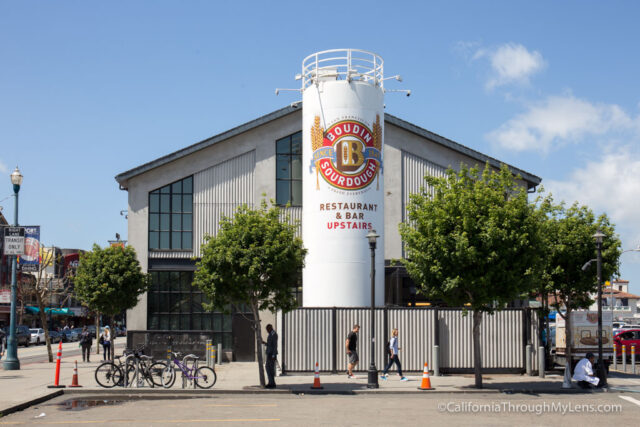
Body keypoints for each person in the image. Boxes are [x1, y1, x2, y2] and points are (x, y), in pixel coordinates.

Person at [264, 324, 278, 388]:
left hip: (271, 354)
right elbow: (270, 344)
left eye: (267, 329)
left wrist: (273, 355)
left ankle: (272, 383)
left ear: (270, 328)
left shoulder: (273, 334)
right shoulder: (271, 334)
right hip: (269, 354)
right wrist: (264, 343)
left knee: (270, 369)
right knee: (268, 368)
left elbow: (275, 346)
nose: (267, 331)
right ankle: (271, 382)